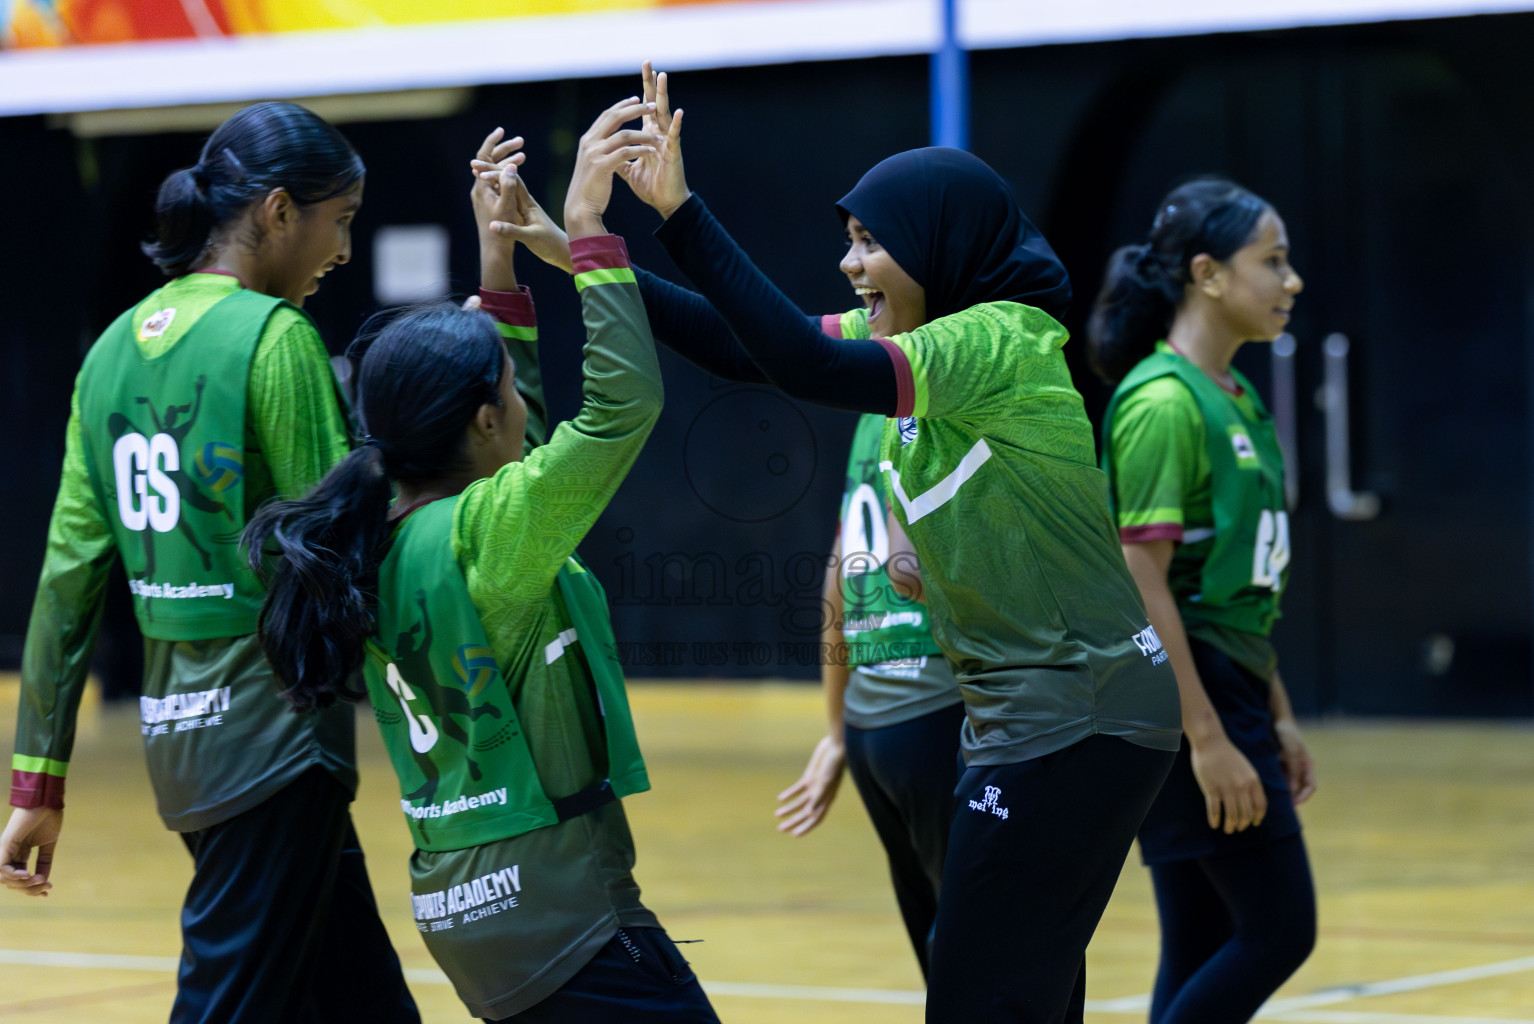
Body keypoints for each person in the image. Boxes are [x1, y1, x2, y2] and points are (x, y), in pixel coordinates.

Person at [569, 67, 1181, 1023]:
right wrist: (583, 249)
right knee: (1025, 993)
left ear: (944, 242)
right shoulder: (930, 338)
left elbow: (805, 361)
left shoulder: (1002, 338)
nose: (853, 265)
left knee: (976, 996)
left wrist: (680, 211)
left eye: (872, 242)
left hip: (1081, 715)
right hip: (1042, 714)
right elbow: (744, 346)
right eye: (850, 242)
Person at [245, 99, 720, 1023]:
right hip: (560, 910)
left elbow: (512, 429)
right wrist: (587, 232)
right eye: (506, 386)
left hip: (465, 905)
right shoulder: (492, 529)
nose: (519, 401)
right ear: (481, 421)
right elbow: (620, 411)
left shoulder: (381, 525)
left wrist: (499, 261)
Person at [0, 102, 420, 1022]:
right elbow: (341, 550)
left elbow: (68, 581)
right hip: (273, 739)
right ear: (277, 213)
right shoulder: (275, 339)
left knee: (361, 1000)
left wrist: (39, 776)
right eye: (338, 220)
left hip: (180, 740)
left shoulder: (108, 354)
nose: (343, 250)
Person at [1089, 179, 1318, 1023]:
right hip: (1189, 697)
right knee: (1280, 928)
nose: (1291, 281)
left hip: (1229, 680)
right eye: (1273, 261)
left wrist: (1279, 711)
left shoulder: (1236, 396)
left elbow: (1238, 594)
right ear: (1208, 274)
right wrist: (1209, 737)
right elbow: (1138, 578)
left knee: (1199, 934)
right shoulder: (1161, 403)